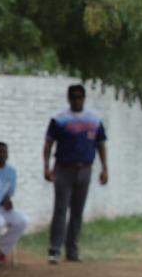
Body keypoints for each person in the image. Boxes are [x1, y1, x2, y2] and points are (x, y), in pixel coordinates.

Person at [43, 84, 108, 264]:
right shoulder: (59, 119)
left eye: (80, 97)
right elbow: (48, 144)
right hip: (63, 168)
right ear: (68, 98)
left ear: (84, 98)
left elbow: (100, 144)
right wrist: (46, 167)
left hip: (85, 168)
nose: (77, 100)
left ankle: (72, 249)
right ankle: (54, 249)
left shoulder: (94, 120)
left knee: (77, 211)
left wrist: (104, 168)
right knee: (60, 210)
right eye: (73, 97)